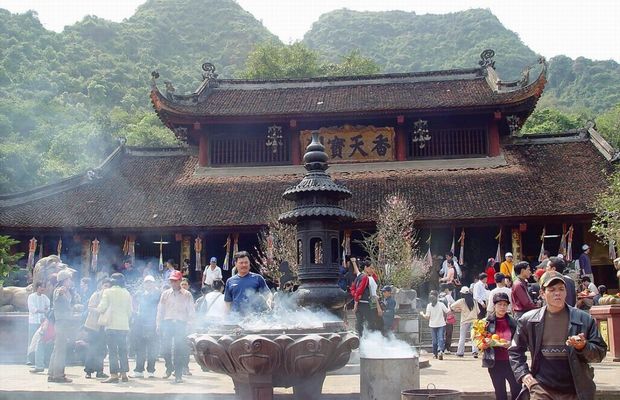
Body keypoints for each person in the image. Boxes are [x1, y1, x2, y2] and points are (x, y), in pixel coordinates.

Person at [509, 271, 607, 399]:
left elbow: (599, 353)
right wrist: (525, 375)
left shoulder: (584, 319)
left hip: (575, 389)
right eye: (552, 289)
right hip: (542, 388)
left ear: (566, 292)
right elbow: (515, 351)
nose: (557, 293)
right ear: (542, 294)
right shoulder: (529, 320)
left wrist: (583, 346)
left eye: (561, 289)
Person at [478, 292, 520, 400]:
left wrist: (512, 344)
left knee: (517, 390)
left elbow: (521, 341)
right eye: (499, 304)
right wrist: (484, 344)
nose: (502, 307)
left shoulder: (514, 322)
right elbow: (479, 342)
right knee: (500, 393)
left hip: (512, 362)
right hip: (495, 363)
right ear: (494, 305)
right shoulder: (486, 323)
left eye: (505, 305)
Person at [157, 269, 195, 383]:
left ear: (179, 281)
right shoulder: (165, 294)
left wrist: (190, 324)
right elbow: (160, 310)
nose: (173, 283)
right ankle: (169, 367)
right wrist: (158, 324)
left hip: (180, 324)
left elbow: (191, 311)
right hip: (167, 323)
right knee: (165, 348)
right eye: (171, 281)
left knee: (179, 350)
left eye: (175, 281)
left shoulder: (187, 295)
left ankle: (178, 375)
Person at [98, 273, 132, 383]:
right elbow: (129, 311)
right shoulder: (127, 293)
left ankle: (113, 375)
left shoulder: (107, 292)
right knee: (123, 350)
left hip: (111, 325)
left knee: (112, 351)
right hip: (123, 325)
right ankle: (124, 374)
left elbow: (102, 308)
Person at [47, 269, 75, 383]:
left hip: (61, 322)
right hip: (62, 322)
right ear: (64, 280)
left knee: (57, 348)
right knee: (60, 349)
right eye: (69, 279)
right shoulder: (60, 290)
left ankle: (52, 373)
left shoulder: (64, 290)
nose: (70, 281)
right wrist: (62, 293)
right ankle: (58, 375)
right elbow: (59, 296)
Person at [131, 275, 160, 379]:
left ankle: (151, 371)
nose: (148, 284)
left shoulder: (158, 295)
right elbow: (133, 305)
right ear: (144, 284)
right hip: (140, 324)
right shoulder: (140, 294)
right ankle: (139, 370)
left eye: (150, 282)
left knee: (152, 349)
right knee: (140, 349)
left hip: (153, 324)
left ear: (154, 284)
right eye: (147, 283)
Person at [224, 251, 271, 316]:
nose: (244, 265)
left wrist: (269, 301)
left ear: (249, 263)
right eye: (241, 263)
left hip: (254, 317)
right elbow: (228, 302)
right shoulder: (230, 281)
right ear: (236, 264)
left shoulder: (257, 278)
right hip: (236, 318)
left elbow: (267, 293)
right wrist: (227, 317)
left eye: (246, 262)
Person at [83, 278, 111, 379]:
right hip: (93, 326)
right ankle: (88, 371)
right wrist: (100, 310)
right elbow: (90, 307)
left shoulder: (110, 297)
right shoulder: (96, 295)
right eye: (105, 286)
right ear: (101, 286)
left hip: (104, 326)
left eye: (109, 286)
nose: (106, 288)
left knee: (102, 349)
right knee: (92, 349)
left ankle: (100, 371)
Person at [351, 260, 381, 336]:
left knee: (360, 325)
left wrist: (356, 302)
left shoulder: (359, 276)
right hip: (368, 304)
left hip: (360, 304)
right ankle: (372, 342)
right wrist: (378, 308)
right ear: (366, 268)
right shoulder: (368, 278)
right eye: (371, 268)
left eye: (373, 268)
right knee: (372, 324)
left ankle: (361, 343)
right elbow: (373, 295)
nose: (373, 270)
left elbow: (353, 289)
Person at [450, 286, 479, 358]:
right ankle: (475, 352)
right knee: (474, 337)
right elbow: (478, 311)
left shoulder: (461, 301)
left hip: (465, 321)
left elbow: (452, 306)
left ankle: (460, 352)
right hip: (474, 321)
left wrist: (458, 310)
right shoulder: (474, 301)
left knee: (462, 337)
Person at [27, 282, 50, 365]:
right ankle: (29, 359)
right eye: (41, 287)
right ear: (37, 287)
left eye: (44, 287)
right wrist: (43, 310)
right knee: (31, 340)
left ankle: (38, 360)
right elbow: (33, 309)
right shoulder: (31, 297)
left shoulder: (45, 298)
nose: (43, 289)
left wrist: (44, 310)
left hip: (42, 323)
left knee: (40, 341)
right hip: (33, 321)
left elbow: (49, 307)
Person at [420, 293, 448, 360]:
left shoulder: (436, 305)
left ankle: (438, 352)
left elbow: (427, 317)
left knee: (436, 340)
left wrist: (422, 314)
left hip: (438, 324)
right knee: (439, 339)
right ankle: (437, 352)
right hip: (436, 325)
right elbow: (447, 311)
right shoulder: (433, 305)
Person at [439, 283, 456, 353]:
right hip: (447, 317)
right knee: (448, 333)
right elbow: (454, 304)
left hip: (439, 317)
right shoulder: (448, 296)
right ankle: (447, 348)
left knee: (441, 333)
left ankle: (440, 348)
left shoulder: (438, 296)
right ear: (446, 289)